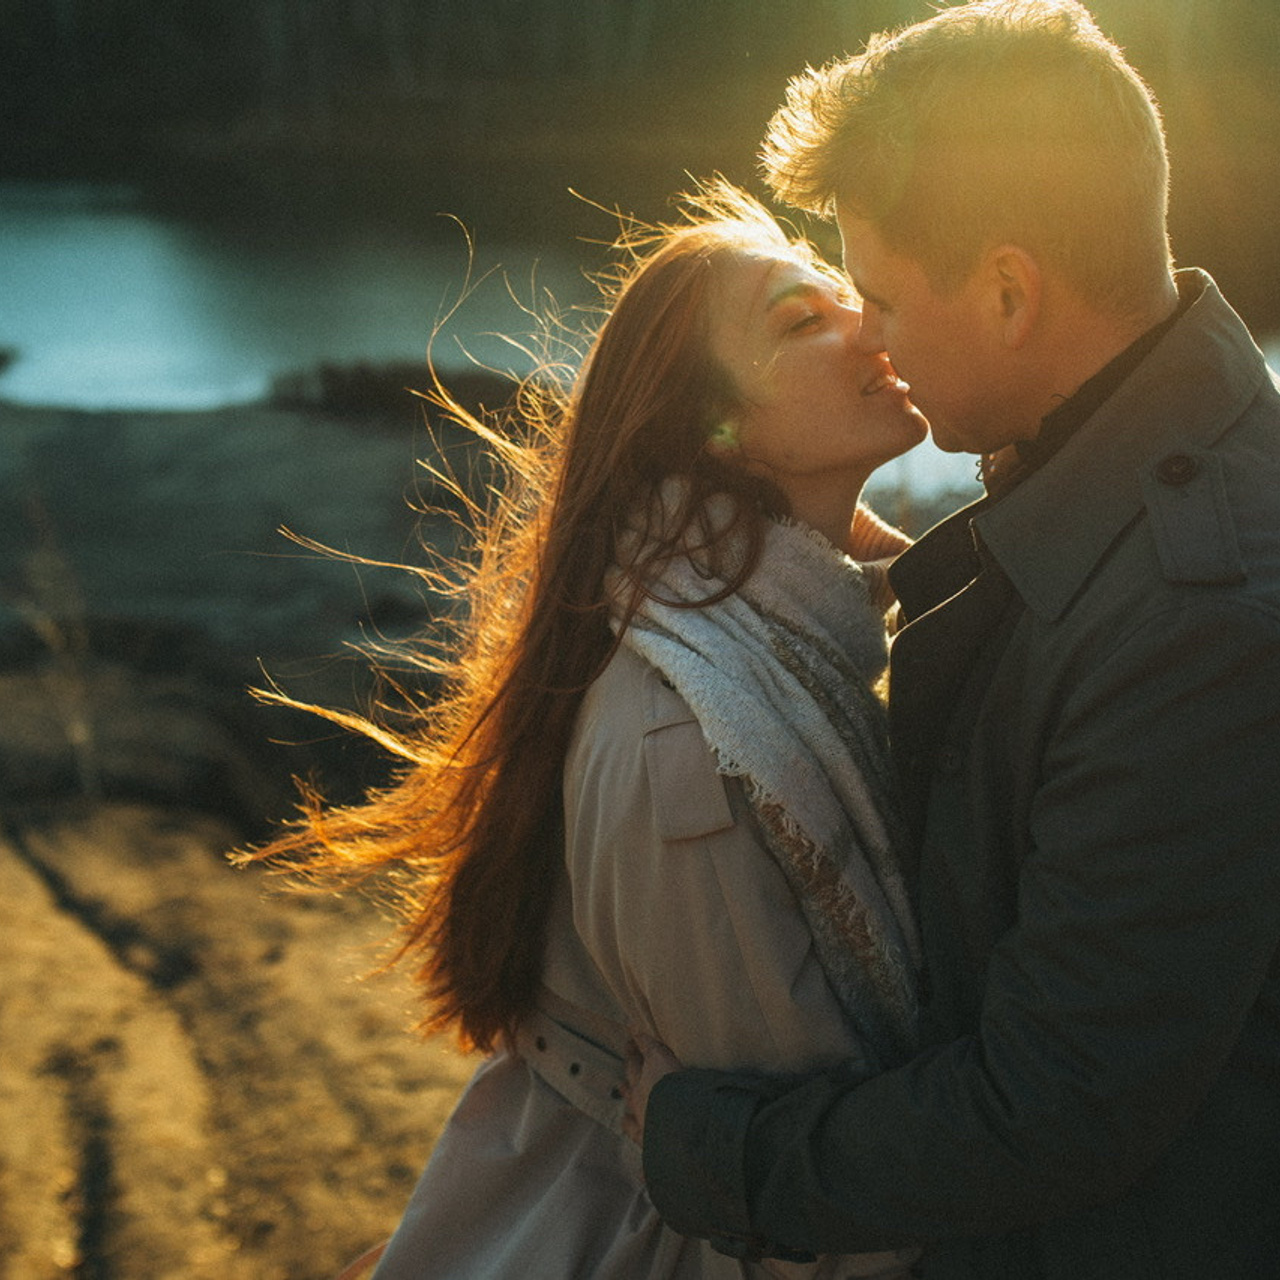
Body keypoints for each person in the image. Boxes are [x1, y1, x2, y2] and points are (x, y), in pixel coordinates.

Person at [627, 2, 1280, 1276]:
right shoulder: (1094, 480)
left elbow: (1054, 1106)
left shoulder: (1196, 618)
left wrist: (713, 1154)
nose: (867, 336)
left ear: (1005, 290)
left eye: (877, 295)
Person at [253, 181, 930, 1278]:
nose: (869, 317)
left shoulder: (814, 644)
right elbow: (788, 1187)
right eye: (802, 318)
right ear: (716, 435)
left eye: (845, 292)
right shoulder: (694, 745)